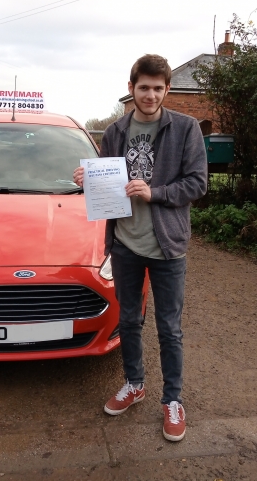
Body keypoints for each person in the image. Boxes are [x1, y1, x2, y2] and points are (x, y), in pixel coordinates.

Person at [73, 54, 207, 442]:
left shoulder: (185, 129)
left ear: (165, 90)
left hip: (168, 247)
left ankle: (173, 400)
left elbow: (198, 184)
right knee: (128, 320)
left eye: (157, 88)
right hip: (126, 245)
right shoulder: (115, 131)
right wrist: (86, 178)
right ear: (130, 89)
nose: (150, 94)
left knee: (169, 328)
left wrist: (155, 192)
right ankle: (134, 384)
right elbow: (105, 182)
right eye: (143, 87)